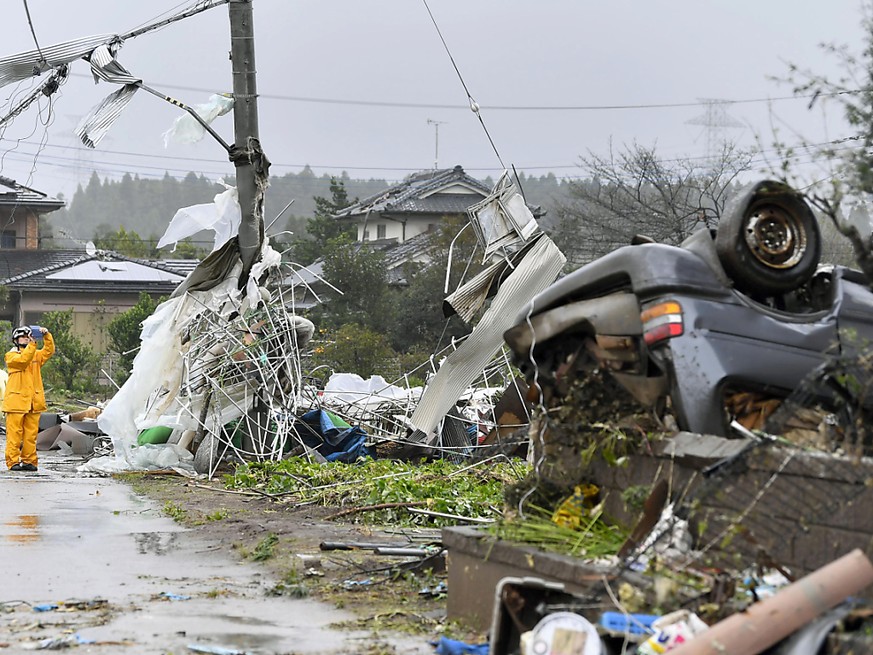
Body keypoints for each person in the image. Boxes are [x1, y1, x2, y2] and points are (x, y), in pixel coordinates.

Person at [4, 326, 53, 472]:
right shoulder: (11, 356)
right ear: (16, 340)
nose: (26, 338)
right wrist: (32, 345)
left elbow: (49, 351)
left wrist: (46, 335)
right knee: (14, 436)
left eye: (28, 336)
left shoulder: (36, 355)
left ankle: (29, 461)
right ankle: (12, 462)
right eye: (23, 337)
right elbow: (24, 360)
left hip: (33, 403)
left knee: (30, 436)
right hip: (16, 403)